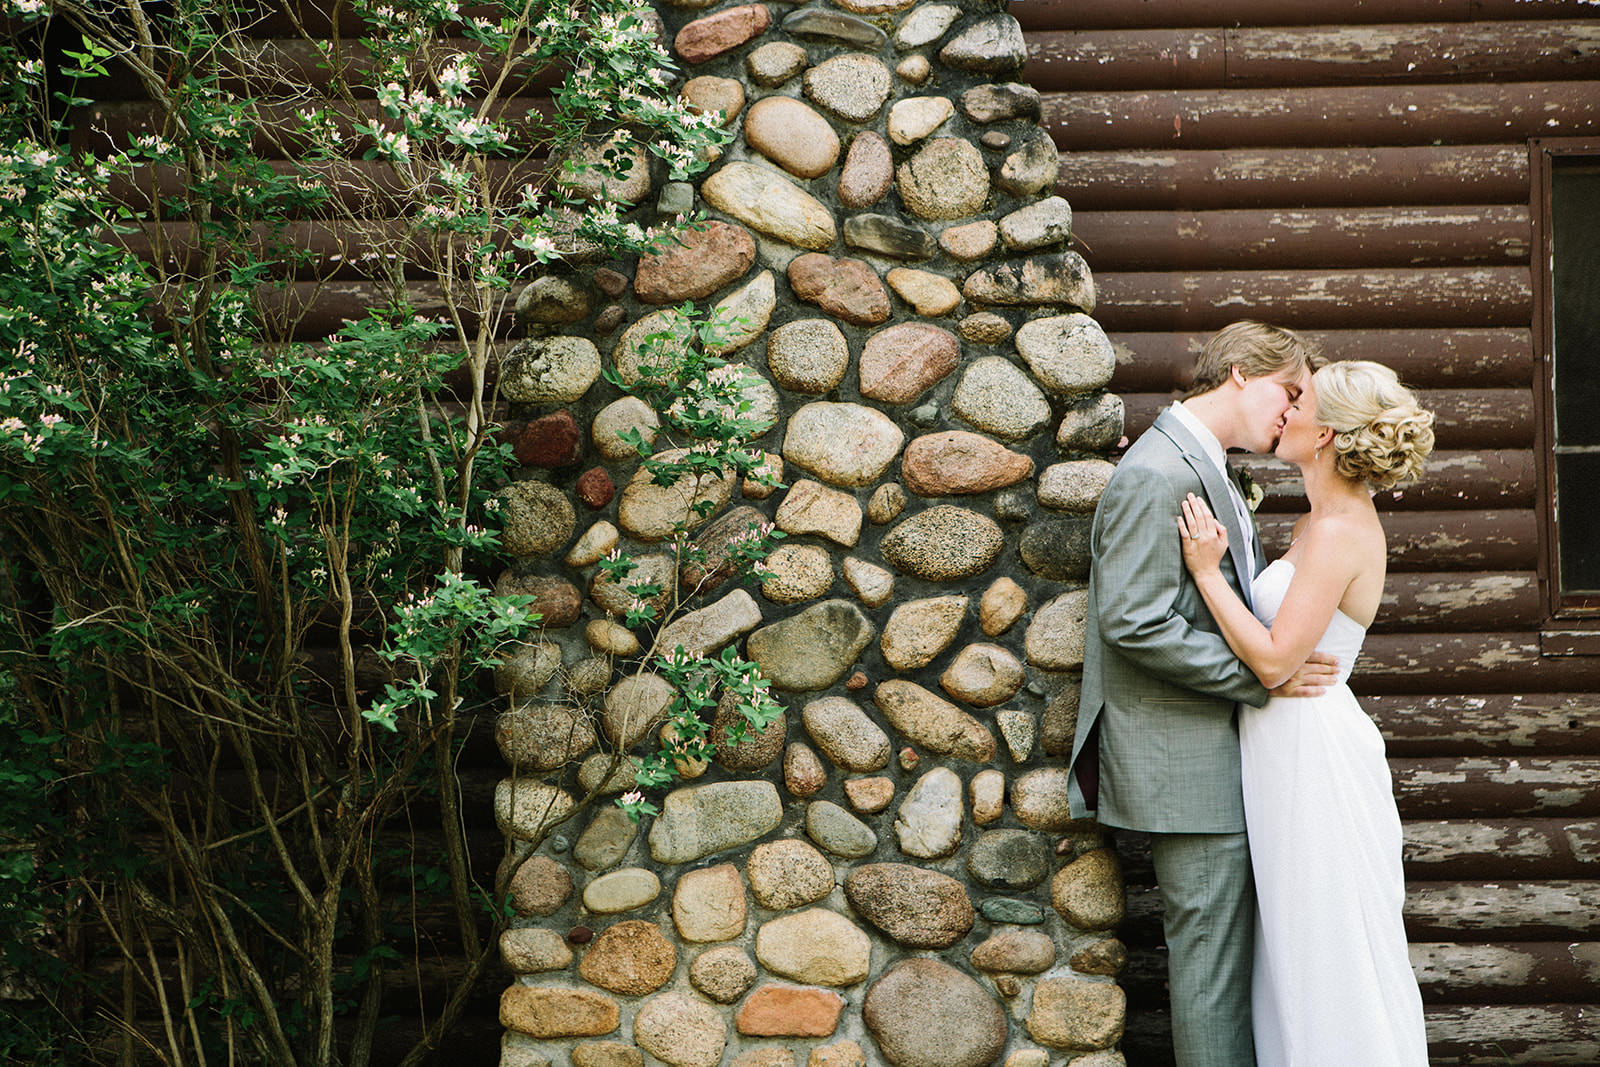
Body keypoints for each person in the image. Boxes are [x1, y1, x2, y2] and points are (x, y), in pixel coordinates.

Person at [1066, 321, 1338, 1067]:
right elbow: (1132, 619)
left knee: (1225, 969)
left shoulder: (1204, 463)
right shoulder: (1158, 472)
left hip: (1212, 760)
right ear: (1242, 372)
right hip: (1184, 767)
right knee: (1212, 973)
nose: (1292, 413)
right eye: (1288, 392)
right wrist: (1262, 677)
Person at [1176, 359, 1433, 1065]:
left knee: (1326, 946)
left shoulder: (1341, 530)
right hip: (1285, 746)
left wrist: (1205, 571)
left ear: (1324, 435)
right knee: (1295, 947)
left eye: (1300, 402)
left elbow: (1273, 658)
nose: (1285, 411)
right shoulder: (1320, 521)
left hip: (1314, 755)